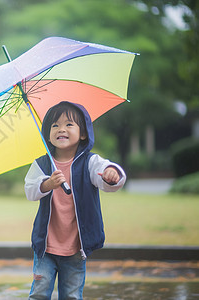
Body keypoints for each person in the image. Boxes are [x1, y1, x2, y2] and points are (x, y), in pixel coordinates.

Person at [25, 101, 126, 300]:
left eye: (69, 124)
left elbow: (106, 178)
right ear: (48, 134)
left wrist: (111, 173)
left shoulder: (90, 162)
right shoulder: (42, 164)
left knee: (72, 295)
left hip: (75, 247)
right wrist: (47, 184)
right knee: (39, 291)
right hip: (46, 246)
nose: (61, 129)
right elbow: (30, 190)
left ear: (83, 133)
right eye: (55, 125)